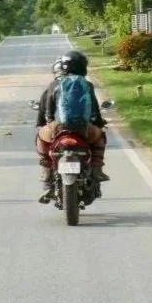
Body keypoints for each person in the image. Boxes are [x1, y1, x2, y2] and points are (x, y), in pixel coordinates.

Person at [35, 50, 108, 202]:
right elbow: (94, 110)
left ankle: (46, 175)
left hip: (58, 128)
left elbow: (46, 110)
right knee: (100, 137)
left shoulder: (54, 84)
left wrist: (45, 122)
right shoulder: (87, 84)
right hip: (83, 128)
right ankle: (97, 169)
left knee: (40, 138)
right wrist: (98, 123)